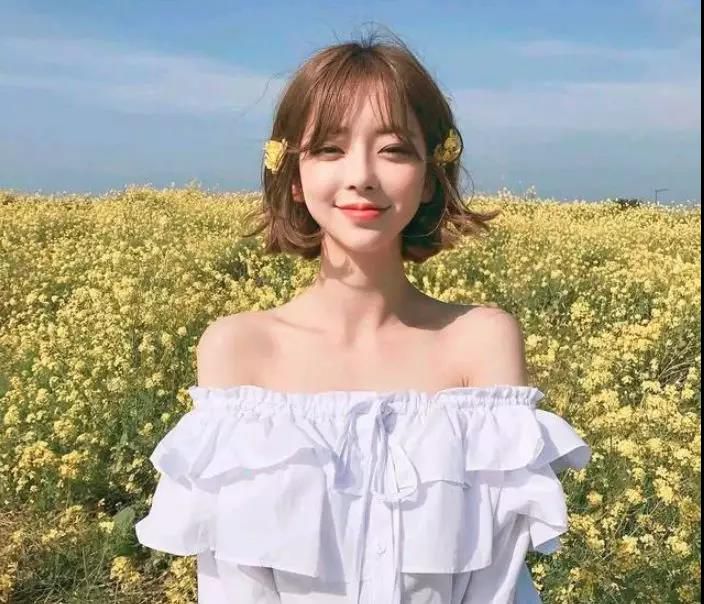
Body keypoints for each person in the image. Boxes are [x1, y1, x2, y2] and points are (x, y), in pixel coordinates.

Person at [135, 29, 591, 603]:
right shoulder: (239, 349)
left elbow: (497, 582)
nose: (362, 175)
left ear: (431, 176)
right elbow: (233, 585)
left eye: (394, 149)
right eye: (329, 149)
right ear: (293, 176)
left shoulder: (480, 342)